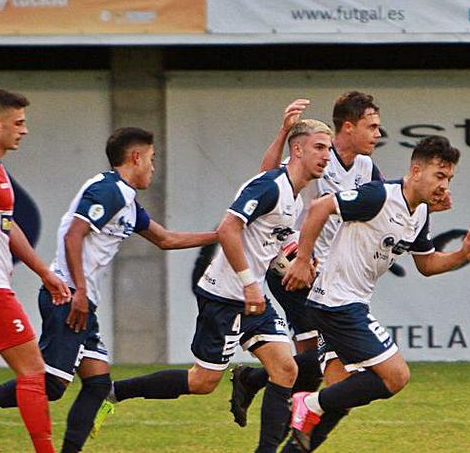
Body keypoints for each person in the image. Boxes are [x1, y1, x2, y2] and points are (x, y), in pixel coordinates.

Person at [0, 126, 217, 452]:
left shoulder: (127, 202)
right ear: (136, 157)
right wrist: (81, 292)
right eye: (152, 160)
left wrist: (221, 236)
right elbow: (74, 234)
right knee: (53, 383)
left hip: (82, 299)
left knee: (98, 383)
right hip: (69, 296)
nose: (153, 168)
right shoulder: (108, 190)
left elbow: (166, 239)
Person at [95, 120, 334, 453]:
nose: (327, 155)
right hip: (225, 297)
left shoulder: (293, 196)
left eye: (329, 148)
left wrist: (298, 259)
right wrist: (250, 284)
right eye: (320, 147)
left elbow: (276, 237)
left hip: (251, 299)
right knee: (202, 382)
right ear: (297, 150)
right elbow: (228, 229)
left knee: (285, 368)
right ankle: (113, 392)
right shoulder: (271, 186)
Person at [285, 135, 470, 452]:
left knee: (341, 397)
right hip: (339, 302)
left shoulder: (419, 213)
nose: (444, 185)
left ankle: (297, 442)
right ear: (416, 170)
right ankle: (307, 403)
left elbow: (427, 264)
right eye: (439, 175)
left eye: (448, 178)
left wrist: (461, 256)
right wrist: (301, 260)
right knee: (396, 376)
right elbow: (320, 206)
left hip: (338, 303)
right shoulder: (379, 196)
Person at [229, 92, 385, 432]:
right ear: (348, 127)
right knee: (327, 362)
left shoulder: (366, 167)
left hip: (327, 277)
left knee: (314, 362)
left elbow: (385, 205)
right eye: (371, 126)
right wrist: (284, 132)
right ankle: (288, 423)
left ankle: (259, 385)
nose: (378, 133)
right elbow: (267, 175)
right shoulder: (318, 156)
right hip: (294, 268)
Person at [0, 89, 71, 452]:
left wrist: (44, 272)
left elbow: (8, 228)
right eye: (19, 123)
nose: (25, 130)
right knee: (34, 372)